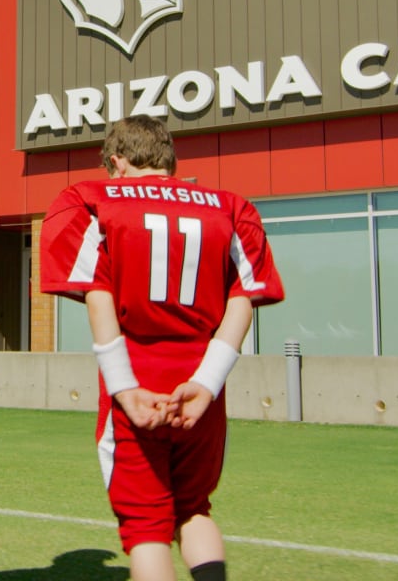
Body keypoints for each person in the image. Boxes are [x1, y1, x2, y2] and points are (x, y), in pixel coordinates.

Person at [40, 115, 284, 581]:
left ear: (117, 161)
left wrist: (124, 385)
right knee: (194, 508)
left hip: (136, 380)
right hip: (200, 389)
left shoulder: (92, 200)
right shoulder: (229, 207)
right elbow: (244, 300)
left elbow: (98, 294)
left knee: (147, 527)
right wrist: (207, 384)